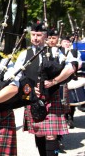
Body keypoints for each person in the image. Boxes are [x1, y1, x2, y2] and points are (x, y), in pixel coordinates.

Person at [13, 23, 75, 156]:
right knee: (39, 133)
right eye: (33, 35)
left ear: (45, 36)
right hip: (33, 99)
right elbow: (17, 77)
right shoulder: (25, 55)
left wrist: (54, 81)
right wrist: (28, 91)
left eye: (39, 35)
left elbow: (71, 68)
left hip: (52, 98)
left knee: (51, 135)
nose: (35, 38)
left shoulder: (57, 52)